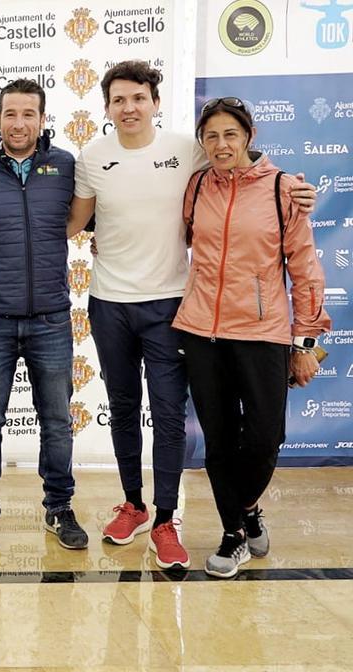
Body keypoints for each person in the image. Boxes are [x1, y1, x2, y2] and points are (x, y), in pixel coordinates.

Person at [66, 60, 316, 569]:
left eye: (139, 97)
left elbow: (245, 165)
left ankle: (167, 518)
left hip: (173, 306)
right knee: (123, 406)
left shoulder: (188, 151)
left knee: (172, 416)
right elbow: (75, 220)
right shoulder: (93, 155)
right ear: (107, 108)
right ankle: (135, 504)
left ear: (156, 102)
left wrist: (295, 190)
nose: (129, 107)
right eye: (118, 100)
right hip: (113, 302)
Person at [173, 97, 330, 578]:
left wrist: (305, 343)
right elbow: (176, 238)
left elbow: (304, 272)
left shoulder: (284, 188)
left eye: (230, 135)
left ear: (249, 136)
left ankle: (245, 509)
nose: (221, 145)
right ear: (203, 142)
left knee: (265, 437)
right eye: (212, 136)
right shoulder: (197, 185)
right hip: (201, 330)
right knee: (218, 442)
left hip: (262, 333)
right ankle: (233, 533)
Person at [0, 79, 87, 552]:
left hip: (51, 318)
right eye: (10, 113)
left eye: (28, 114)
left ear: (42, 118)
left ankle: (59, 507)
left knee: (56, 419)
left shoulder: (65, 166)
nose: (19, 123)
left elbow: (88, 217)